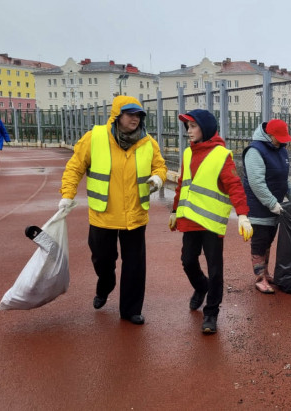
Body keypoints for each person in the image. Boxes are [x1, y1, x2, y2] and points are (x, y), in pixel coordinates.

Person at [59, 96, 167, 326]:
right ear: (117, 116)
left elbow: (160, 165)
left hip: (135, 215)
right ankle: (105, 285)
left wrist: (159, 177)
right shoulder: (95, 137)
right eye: (130, 114)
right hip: (103, 215)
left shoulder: (148, 142)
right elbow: (75, 166)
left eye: (139, 115)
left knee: (135, 266)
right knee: (103, 260)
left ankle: (130, 310)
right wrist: (67, 195)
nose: (135, 119)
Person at [169, 109, 252, 334]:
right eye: (188, 127)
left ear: (204, 128)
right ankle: (201, 287)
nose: (189, 131)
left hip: (212, 224)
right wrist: (175, 210)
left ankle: (211, 313)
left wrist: (243, 215)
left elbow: (235, 185)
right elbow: (182, 184)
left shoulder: (221, 155)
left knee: (215, 270)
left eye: (193, 126)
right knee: (188, 261)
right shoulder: (187, 153)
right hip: (190, 220)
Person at [242, 119, 291, 294]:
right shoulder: (255, 151)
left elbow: (284, 179)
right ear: (269, 136)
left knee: (269, 241)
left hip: (274, 206)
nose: (283, 141)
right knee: (259, 242)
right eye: (279, 138)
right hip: (258, 207)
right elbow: (256, 182)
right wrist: (271, 203)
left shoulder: (281, 150)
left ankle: (266, 273)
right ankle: (259, 278)